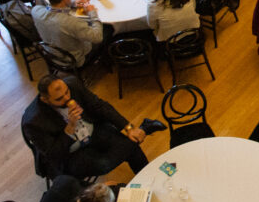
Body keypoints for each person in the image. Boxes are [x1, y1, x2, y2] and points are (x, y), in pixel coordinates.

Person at [22, 74, 159, 178]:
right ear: (45, 99)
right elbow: (53, 155)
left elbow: (99, 106)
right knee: (103, 164)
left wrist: (129, 128)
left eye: (67, 92)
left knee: (131, 142)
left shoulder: (73, 84)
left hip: (92, 131)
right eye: (59, 98)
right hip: (71, 152)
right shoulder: (33, 122)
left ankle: (148, 178)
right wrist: (69, 129)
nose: (67, 98)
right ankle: (145, 129)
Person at [32, 0, 108, 67]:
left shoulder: (36, 10)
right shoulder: (72, 23)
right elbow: (97, 37)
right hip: (73, 60)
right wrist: (92, 12)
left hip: (51, 54)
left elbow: (51, 7)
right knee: (107, 29)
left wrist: (73, 3)